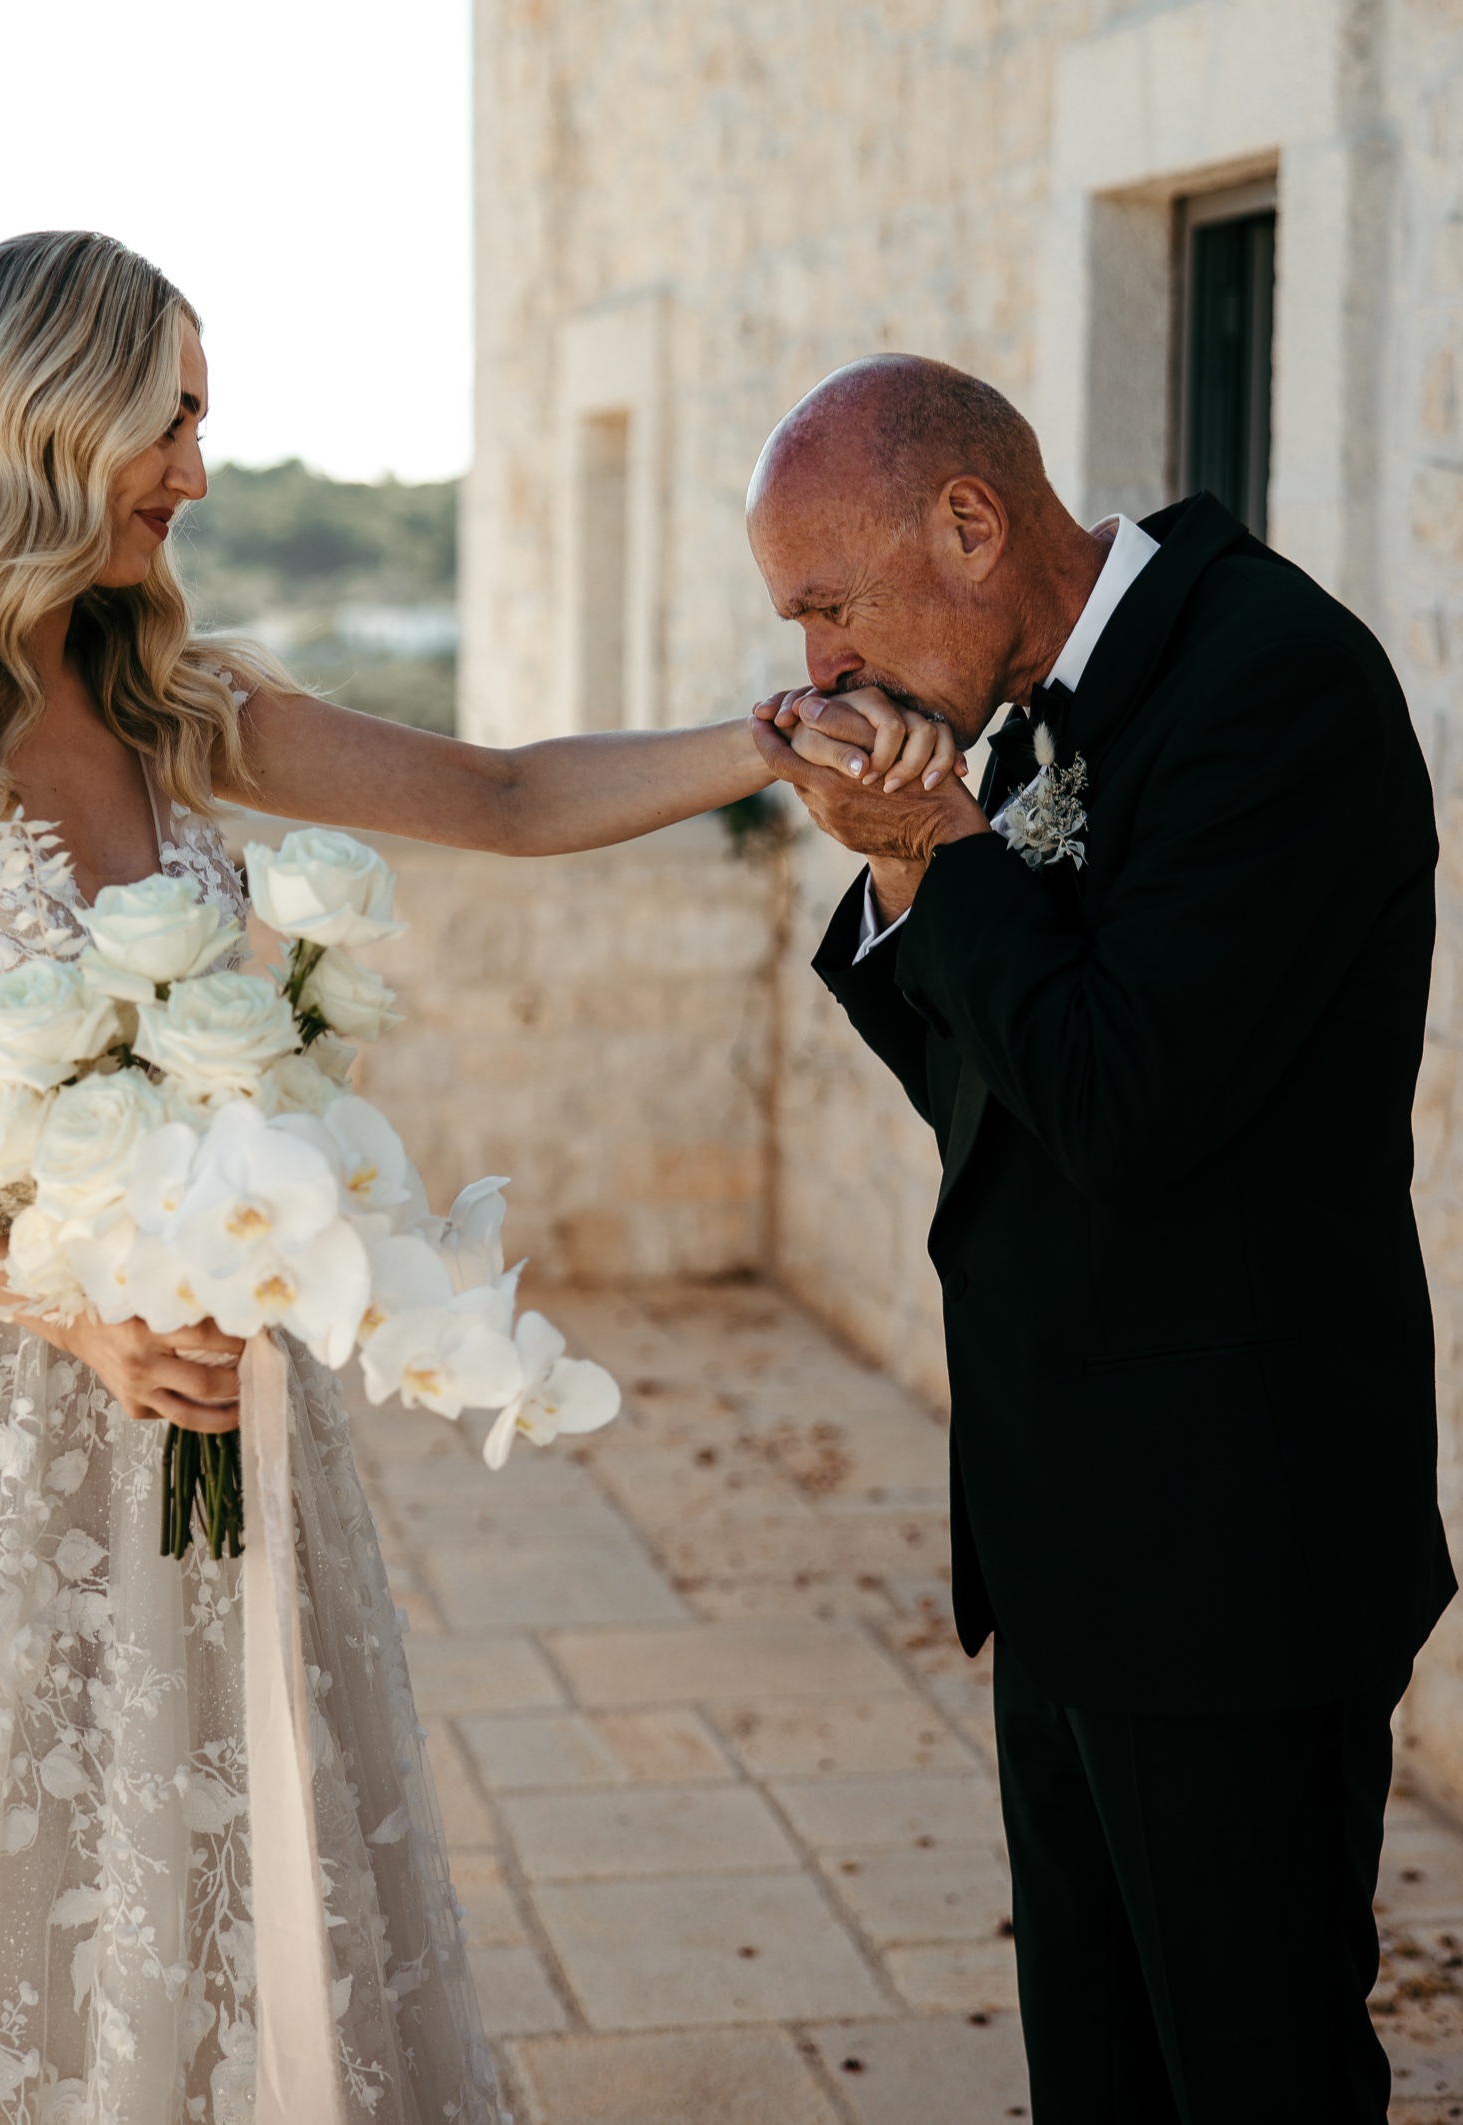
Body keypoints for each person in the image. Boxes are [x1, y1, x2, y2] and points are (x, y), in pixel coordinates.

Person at [0, 233, 773, 2125]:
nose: (198, 464)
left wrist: (772, 748)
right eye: (170, 417)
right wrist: (70, 1309)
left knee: (228, 1820)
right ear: (44, 423)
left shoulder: (176, 695)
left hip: (214, 1379)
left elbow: (503, 795)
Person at [745, 354, 1456, 2124]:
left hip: (1236, 1546)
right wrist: (914, 872)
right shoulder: (1032, 709)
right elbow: (1000, 1097)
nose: (820, 663)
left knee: (1255, 2082)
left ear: (971, 522)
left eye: (831, 606)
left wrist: (944, 852)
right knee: (1103, 2084)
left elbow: (1131, 1106)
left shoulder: (1270, 685)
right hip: (1072, 1538)